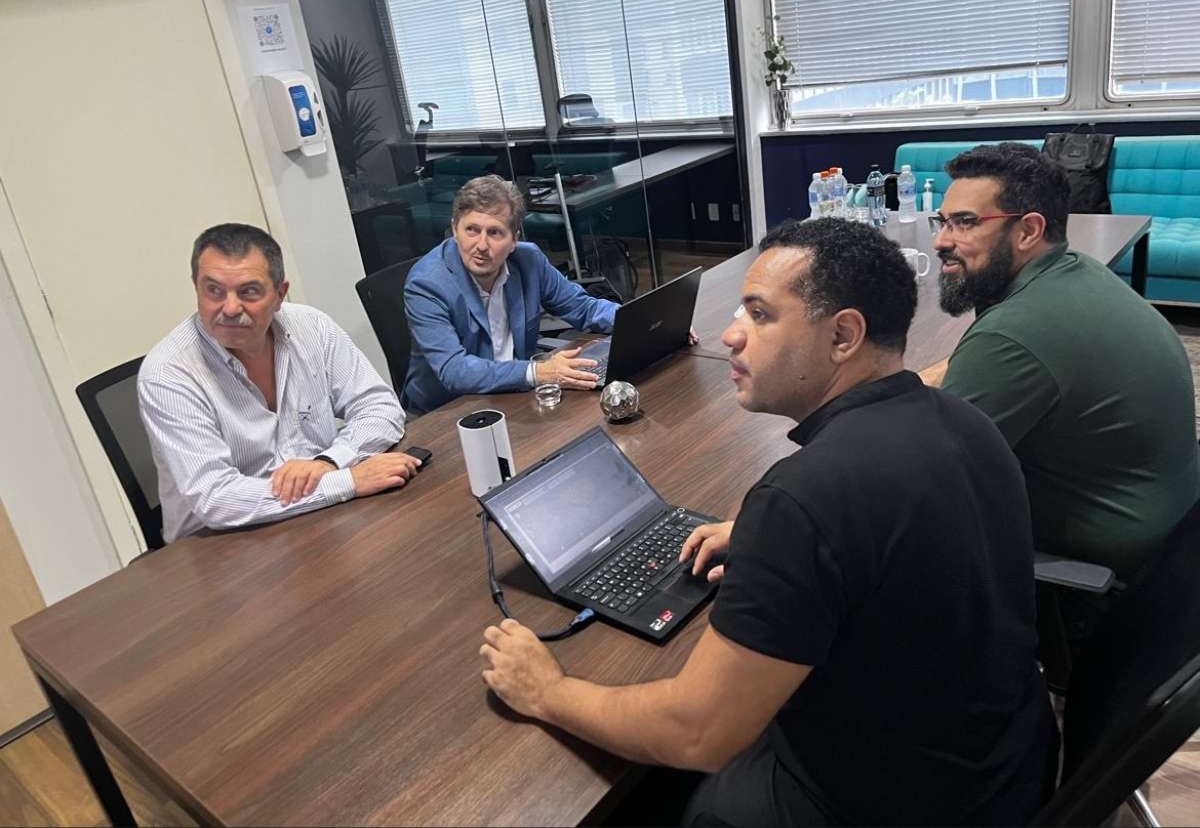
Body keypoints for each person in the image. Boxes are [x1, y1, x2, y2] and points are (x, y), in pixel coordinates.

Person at [480, 218, 1057, 826]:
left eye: (759, 315)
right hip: (1007, 764)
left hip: (899, 804)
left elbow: (697, 734)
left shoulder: (805, 498)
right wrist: (776, 542)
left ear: (843, 336)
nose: (731, 334)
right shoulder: (966, 422)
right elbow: (892, 541)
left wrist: (548, 691)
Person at [927, 142, 1199, 584]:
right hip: (1166, 521)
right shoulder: (1079, 271)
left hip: (1108, 565)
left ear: (1029, 230)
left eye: (965, 222)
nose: (941, 240)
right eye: (942, 221)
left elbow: (926, 474)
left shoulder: (1014, 333)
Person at [139, 223, 420, 544]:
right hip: (220, 545)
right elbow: (216, 498)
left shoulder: (311, 326)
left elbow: (380, 407)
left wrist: (330, 461)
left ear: (279, 295)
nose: (230, 308)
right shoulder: (168, 373)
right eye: (213, 290)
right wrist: (347, 482)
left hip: (320, 518)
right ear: (196, 287)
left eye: (249, 291)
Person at [402, 175, 618, 414]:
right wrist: (538, 372)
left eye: (495, 232)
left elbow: (584, 308)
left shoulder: (528, 260)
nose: (481, 245)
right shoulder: (427, 283)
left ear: (514, 239)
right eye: (472, 230)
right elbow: (454, 370)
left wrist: (635, 319)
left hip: (516, 396)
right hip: (449, 412)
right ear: (454, 229)